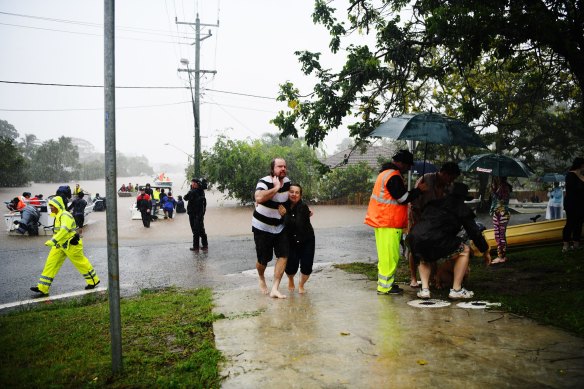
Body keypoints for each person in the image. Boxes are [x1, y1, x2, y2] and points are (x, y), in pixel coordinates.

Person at [408, 182, 491, 300]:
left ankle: (425, 290)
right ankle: (457, 289)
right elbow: (475, 233)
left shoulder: (434, 203)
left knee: (423, 256)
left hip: (415, 236)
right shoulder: (462, 209)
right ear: (463, 198)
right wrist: (485, 250)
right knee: (464, 250)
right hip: (436, 238)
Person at [364, 150, 427, 295]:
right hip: (388, 223)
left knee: (386, 256)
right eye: (408, 165)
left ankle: (386, 284)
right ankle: (385, 287)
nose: (408, 169)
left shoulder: (385, 173)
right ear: (401, 163)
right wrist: (419, 191)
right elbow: (403, 198)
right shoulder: (393, 176)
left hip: (382, 221)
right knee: (390, 257)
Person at [30, 196, 100, 297]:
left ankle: (93, 281)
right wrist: (56, 241)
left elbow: (64, 230)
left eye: (52, 205)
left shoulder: (65, 215)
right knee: (50, 264)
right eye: (50, 205)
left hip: (71, 243)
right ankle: (42, 287)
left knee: (81, 263)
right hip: (59, 245)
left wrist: (53, 240)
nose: (51, 208)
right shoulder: (58, 216)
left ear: (58, 205)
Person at [407, 162, 461, 288]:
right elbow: (414, 203)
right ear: (444, 174)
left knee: (432, 245)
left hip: (435, 221)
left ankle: (432, 277)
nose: (451, 181)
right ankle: (413, 277)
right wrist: (417, 221)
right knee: (414, 246)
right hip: (418, 217)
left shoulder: (448, 186)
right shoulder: (425, 179)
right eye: (451, 177)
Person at [252, 158, 291, 298]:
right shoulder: (264, 181)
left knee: (283, 255)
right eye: (280, 166)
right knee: (263, 260)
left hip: (280, 227)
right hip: (262, 227)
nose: (283, 169)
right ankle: (261, 277)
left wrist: (292, 209)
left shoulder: (287, 182)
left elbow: (292, 199)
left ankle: (275, 288)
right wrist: (275, 188)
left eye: (285, 166)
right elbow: (258, 198)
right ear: (272, 168)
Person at [278, 183, 315, 294]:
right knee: (290, 267)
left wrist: (285, 215)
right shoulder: (282, 205)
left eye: (297, 192)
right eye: (291, 192)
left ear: (300, 195)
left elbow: (296, 224)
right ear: (287, 193)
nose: (294, 194)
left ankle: (301, 284)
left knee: (307, 266)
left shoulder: (303, 207)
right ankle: (290, 279)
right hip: (291, 241)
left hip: (307, 240)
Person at [562, 157, 584, 252]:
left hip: (581, 204)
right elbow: (573, 190)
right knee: (570, 223)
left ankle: (576, 244)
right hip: (572, 204)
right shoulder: (570, 175)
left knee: (579, 224)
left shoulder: (583, 176)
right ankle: (565, 245)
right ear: (581, 165)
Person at [490, 176, 512, 264]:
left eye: (495, 177)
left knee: (501, 235)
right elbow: (494, 202)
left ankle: (502, 256)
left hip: (502, 213)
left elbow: (502, 201)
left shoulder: (504, 187)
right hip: (497, 213)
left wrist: (494, 193)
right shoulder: (497, 187)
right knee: (497, 235)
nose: (494, 178)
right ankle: (501, 255)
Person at [184, 178, 208, 251]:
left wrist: (201, 214)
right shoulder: (195, 191)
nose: (193, 184)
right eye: (192, 183)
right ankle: (203, 245)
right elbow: (185, 198)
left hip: (198, 214)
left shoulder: (198, 192)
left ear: (197, 184)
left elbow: (202, 203)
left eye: (194, 183)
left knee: (197, 230)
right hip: (192, 213)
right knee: (198, 230)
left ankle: (197, 247)